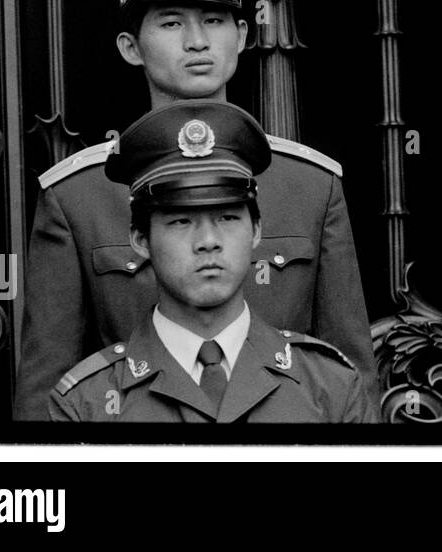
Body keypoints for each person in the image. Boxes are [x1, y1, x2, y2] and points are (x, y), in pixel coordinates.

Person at [15, 0, 378, 420]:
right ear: (129, 46)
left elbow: (349, 376)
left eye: (213, 20)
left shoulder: (311, 185)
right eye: (170, 22)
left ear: (244, 35)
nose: (197, 41)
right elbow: (46, 396)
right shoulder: (77, 195)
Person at [50, 101, 376, 422]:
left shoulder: (330, 387)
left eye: (228, 217)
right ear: (140, 239)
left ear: (257, 231)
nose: (208, 241)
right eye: (181, 221)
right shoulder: (87, 405)